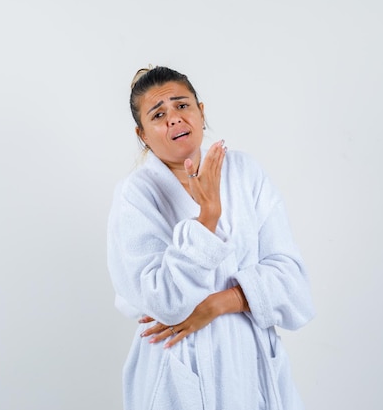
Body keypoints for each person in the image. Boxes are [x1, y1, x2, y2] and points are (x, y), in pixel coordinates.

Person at [107, 66, 315, 410]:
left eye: (182, 106)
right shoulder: (136, 195)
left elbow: (294, 285)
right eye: (159, 114)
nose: (174, 118)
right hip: (178, 368)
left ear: (201, 112)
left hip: (253, 367)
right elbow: (161, 301)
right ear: (142, 134)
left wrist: (219, 304)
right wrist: (207, 217)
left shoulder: (245, 172)